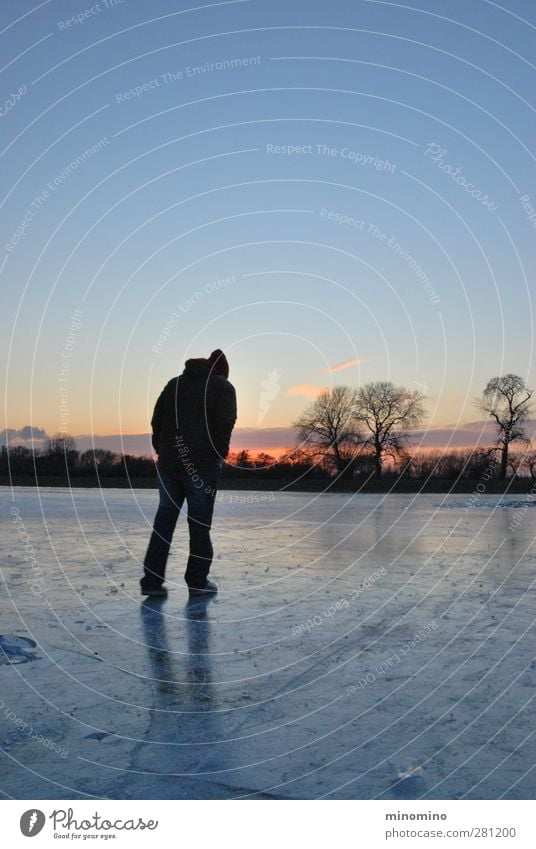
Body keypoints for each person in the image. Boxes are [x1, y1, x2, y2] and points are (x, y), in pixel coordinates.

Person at [141, 349, 237, 597]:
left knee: (164, 520)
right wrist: (218, 454)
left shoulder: (174, 384)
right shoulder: (223, 388)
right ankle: (197, 581)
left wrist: (162, 449)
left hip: (168, 465)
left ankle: (151, 581)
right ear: (221, 371)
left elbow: (156, 420)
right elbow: (224, 424)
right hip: (202, 467)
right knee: (199, 524)